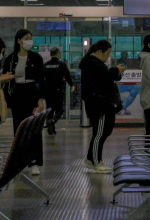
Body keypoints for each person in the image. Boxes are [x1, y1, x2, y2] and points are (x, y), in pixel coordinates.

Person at [3, 29, 46, 176]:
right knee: (19, 128)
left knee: (34, 127)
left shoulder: (36, 58)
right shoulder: (10, 59)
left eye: (30, 38)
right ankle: (20, 161)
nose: (29, 41)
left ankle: (35, 162)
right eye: (26, 38)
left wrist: (40, 99)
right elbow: (5, 78)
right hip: (17, 93)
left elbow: (41, 80)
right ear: (19, 40)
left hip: (32, 92)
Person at [79, 39, 125, 174]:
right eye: (107, 53)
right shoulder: (91, 64)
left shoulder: (95, 63)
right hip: (99, 106)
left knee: (103, 132)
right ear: (99, 52)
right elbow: (103, 80)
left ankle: (90, 159)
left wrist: (116, 73)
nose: (108, 56)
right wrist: (115, 69)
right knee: (99, 134)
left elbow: (106, 79)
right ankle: (95, 162)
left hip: (102, 105)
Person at [43, 48, 74, 135]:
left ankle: (51, 129)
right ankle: (53, 121)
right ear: (58, 55)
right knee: (60, 110)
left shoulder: (45, 65)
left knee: (50, 110)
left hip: (48, 91)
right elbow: (67, 76)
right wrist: (71, 85)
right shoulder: (62, 64)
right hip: (58, 90)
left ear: (50, 54)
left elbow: (41, 78)